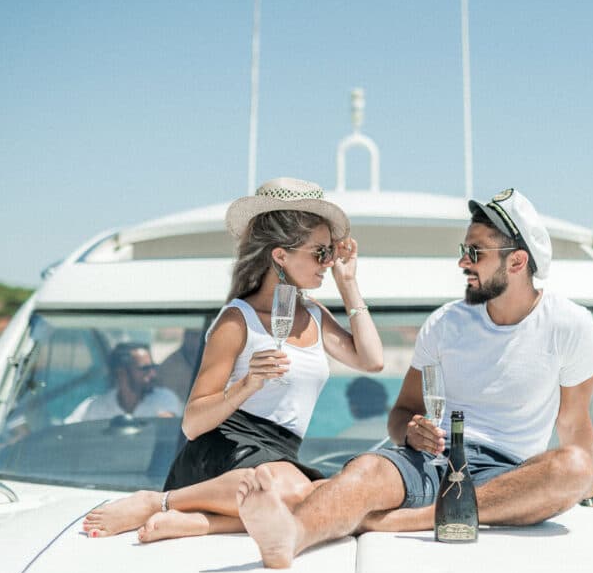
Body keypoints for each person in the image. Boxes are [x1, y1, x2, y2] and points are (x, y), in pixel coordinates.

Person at [235, 187, 593, 568]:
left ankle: (410, 519)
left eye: (474, 253)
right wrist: (411, 432)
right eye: (464, 251)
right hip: (431, 460)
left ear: (517, 262)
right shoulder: (445, 324)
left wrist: (591, 496)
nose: (463, 262)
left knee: (575, 468)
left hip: (508, 476)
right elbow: (402, 413)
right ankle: (291, 537)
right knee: (368, 470)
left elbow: (574, 423)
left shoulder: (571, 325)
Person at [82, 177, 384, 539]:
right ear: (280, 255)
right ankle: (159, 502)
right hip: (225, 455)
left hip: (279, 458)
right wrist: (247, 385)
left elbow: (372, 361)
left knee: (329, 497)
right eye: (320, 252)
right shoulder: (237, 319)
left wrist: (347, 283)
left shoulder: (315, 315)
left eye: (331, 252)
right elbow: (192, 424)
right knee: (293, 491)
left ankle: (201, 522)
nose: (328, 261)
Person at [64, 342, 182, 423]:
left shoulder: (165, 400)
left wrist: (165, 423)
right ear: (122, 373)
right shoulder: (94, 408)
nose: (153, 374)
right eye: (145, 369)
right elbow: (64, 435)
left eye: (152, 367)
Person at [157, 328, 204, 403]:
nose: (200, 339)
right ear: (186, 337)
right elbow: (169, 401)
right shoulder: (170, 367)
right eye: (195, 336)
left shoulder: (210, 359)